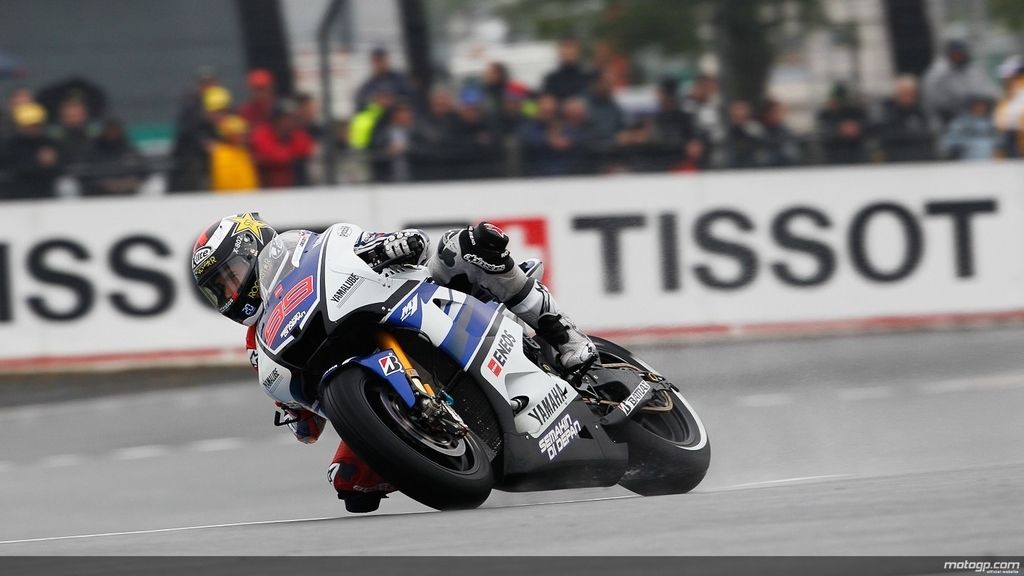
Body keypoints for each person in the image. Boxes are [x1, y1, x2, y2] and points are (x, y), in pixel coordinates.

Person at [189, 215, 597, 512]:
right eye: (218, 289)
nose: (230, 292)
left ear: (255, 249)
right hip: (360, 371)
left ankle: (565, 336)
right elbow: (308, 425)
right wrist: (294, 412)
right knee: (349, 485)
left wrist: (392, 246)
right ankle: (427, 448)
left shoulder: (314, 248)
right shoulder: (258, 343)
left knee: (468, 245)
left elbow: (411, 245)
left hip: (416, 298)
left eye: (231, 275)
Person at [922, 40, 998, 128]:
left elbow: (990, 92)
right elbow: (930, 100)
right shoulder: (938, 71)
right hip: (948, 116)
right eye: (955, 53)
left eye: (960, 53)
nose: (958, 56)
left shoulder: (973, 69)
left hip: (973, 114)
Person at [2, 102, 63, 200]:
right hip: (17, 193)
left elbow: (62, 167)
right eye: (28, 125)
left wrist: (52, 163)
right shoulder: (11, 145)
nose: (33, 129)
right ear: (19, 126)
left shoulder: (51, 144)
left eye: (36, 125)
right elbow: (11, 169)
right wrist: (39, 163)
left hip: (48, 191)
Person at [80, 117, 149, 196]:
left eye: (115, 130)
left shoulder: (128, 149)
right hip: (96, 197)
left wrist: (129, 182)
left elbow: (143, 171)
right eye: (109, 131)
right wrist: (103, 184)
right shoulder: (91, 150)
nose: (112, 133)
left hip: (128, 196)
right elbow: (83, 175)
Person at [250, 107, 315, 189]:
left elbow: (305, 148)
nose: (288, 122)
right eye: (284, 119)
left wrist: (286, 154)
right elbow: (271, 155)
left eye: (291, 119)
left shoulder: (296, 134)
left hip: (294, 186)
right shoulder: (262, 133)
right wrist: (289, 154)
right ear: (276, 120)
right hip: (267, 187)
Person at [876, 76, 935, 163]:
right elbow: (887, 136)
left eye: (911, 93)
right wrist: (912, 135)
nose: (908, 97)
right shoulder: (888, 113)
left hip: (924, 160)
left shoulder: (922, 111)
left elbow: (930, 133)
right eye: (904, 93)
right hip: (897, 160)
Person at [209, 115, 259, 192]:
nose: (243, 136)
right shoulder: (221, 153)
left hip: (248, 195)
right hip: (231, 197)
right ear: (229, 135)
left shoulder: (243, 152)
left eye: (243, 133)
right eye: (239, 133)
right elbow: (224, 181)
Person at [940, 95, 999, 160]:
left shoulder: (991, 121)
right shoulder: (961, 121)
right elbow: (948, 141)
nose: (980, 108)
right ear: (971, 106)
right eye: (977, 105)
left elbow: (998, 139)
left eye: (983, 105)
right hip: (966, 158)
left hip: (989, 159)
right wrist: (967, 143)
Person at [354, 47, 412, 113]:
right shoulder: (368, 86)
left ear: (387, 61)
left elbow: (411, 97)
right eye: (376, 61)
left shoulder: (400, 80)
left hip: (398, 116)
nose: (379, 64)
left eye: (381, 61)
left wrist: (394, 100)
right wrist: (376, 101)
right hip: (379, 117)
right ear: (372, 63)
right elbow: (360, 102)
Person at [541, 36, 595, 101]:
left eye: (571, 47)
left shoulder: (588, 77)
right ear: (560, 51)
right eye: (565, 47)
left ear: (578, 51)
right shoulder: (551, 79)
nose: (568, 51)